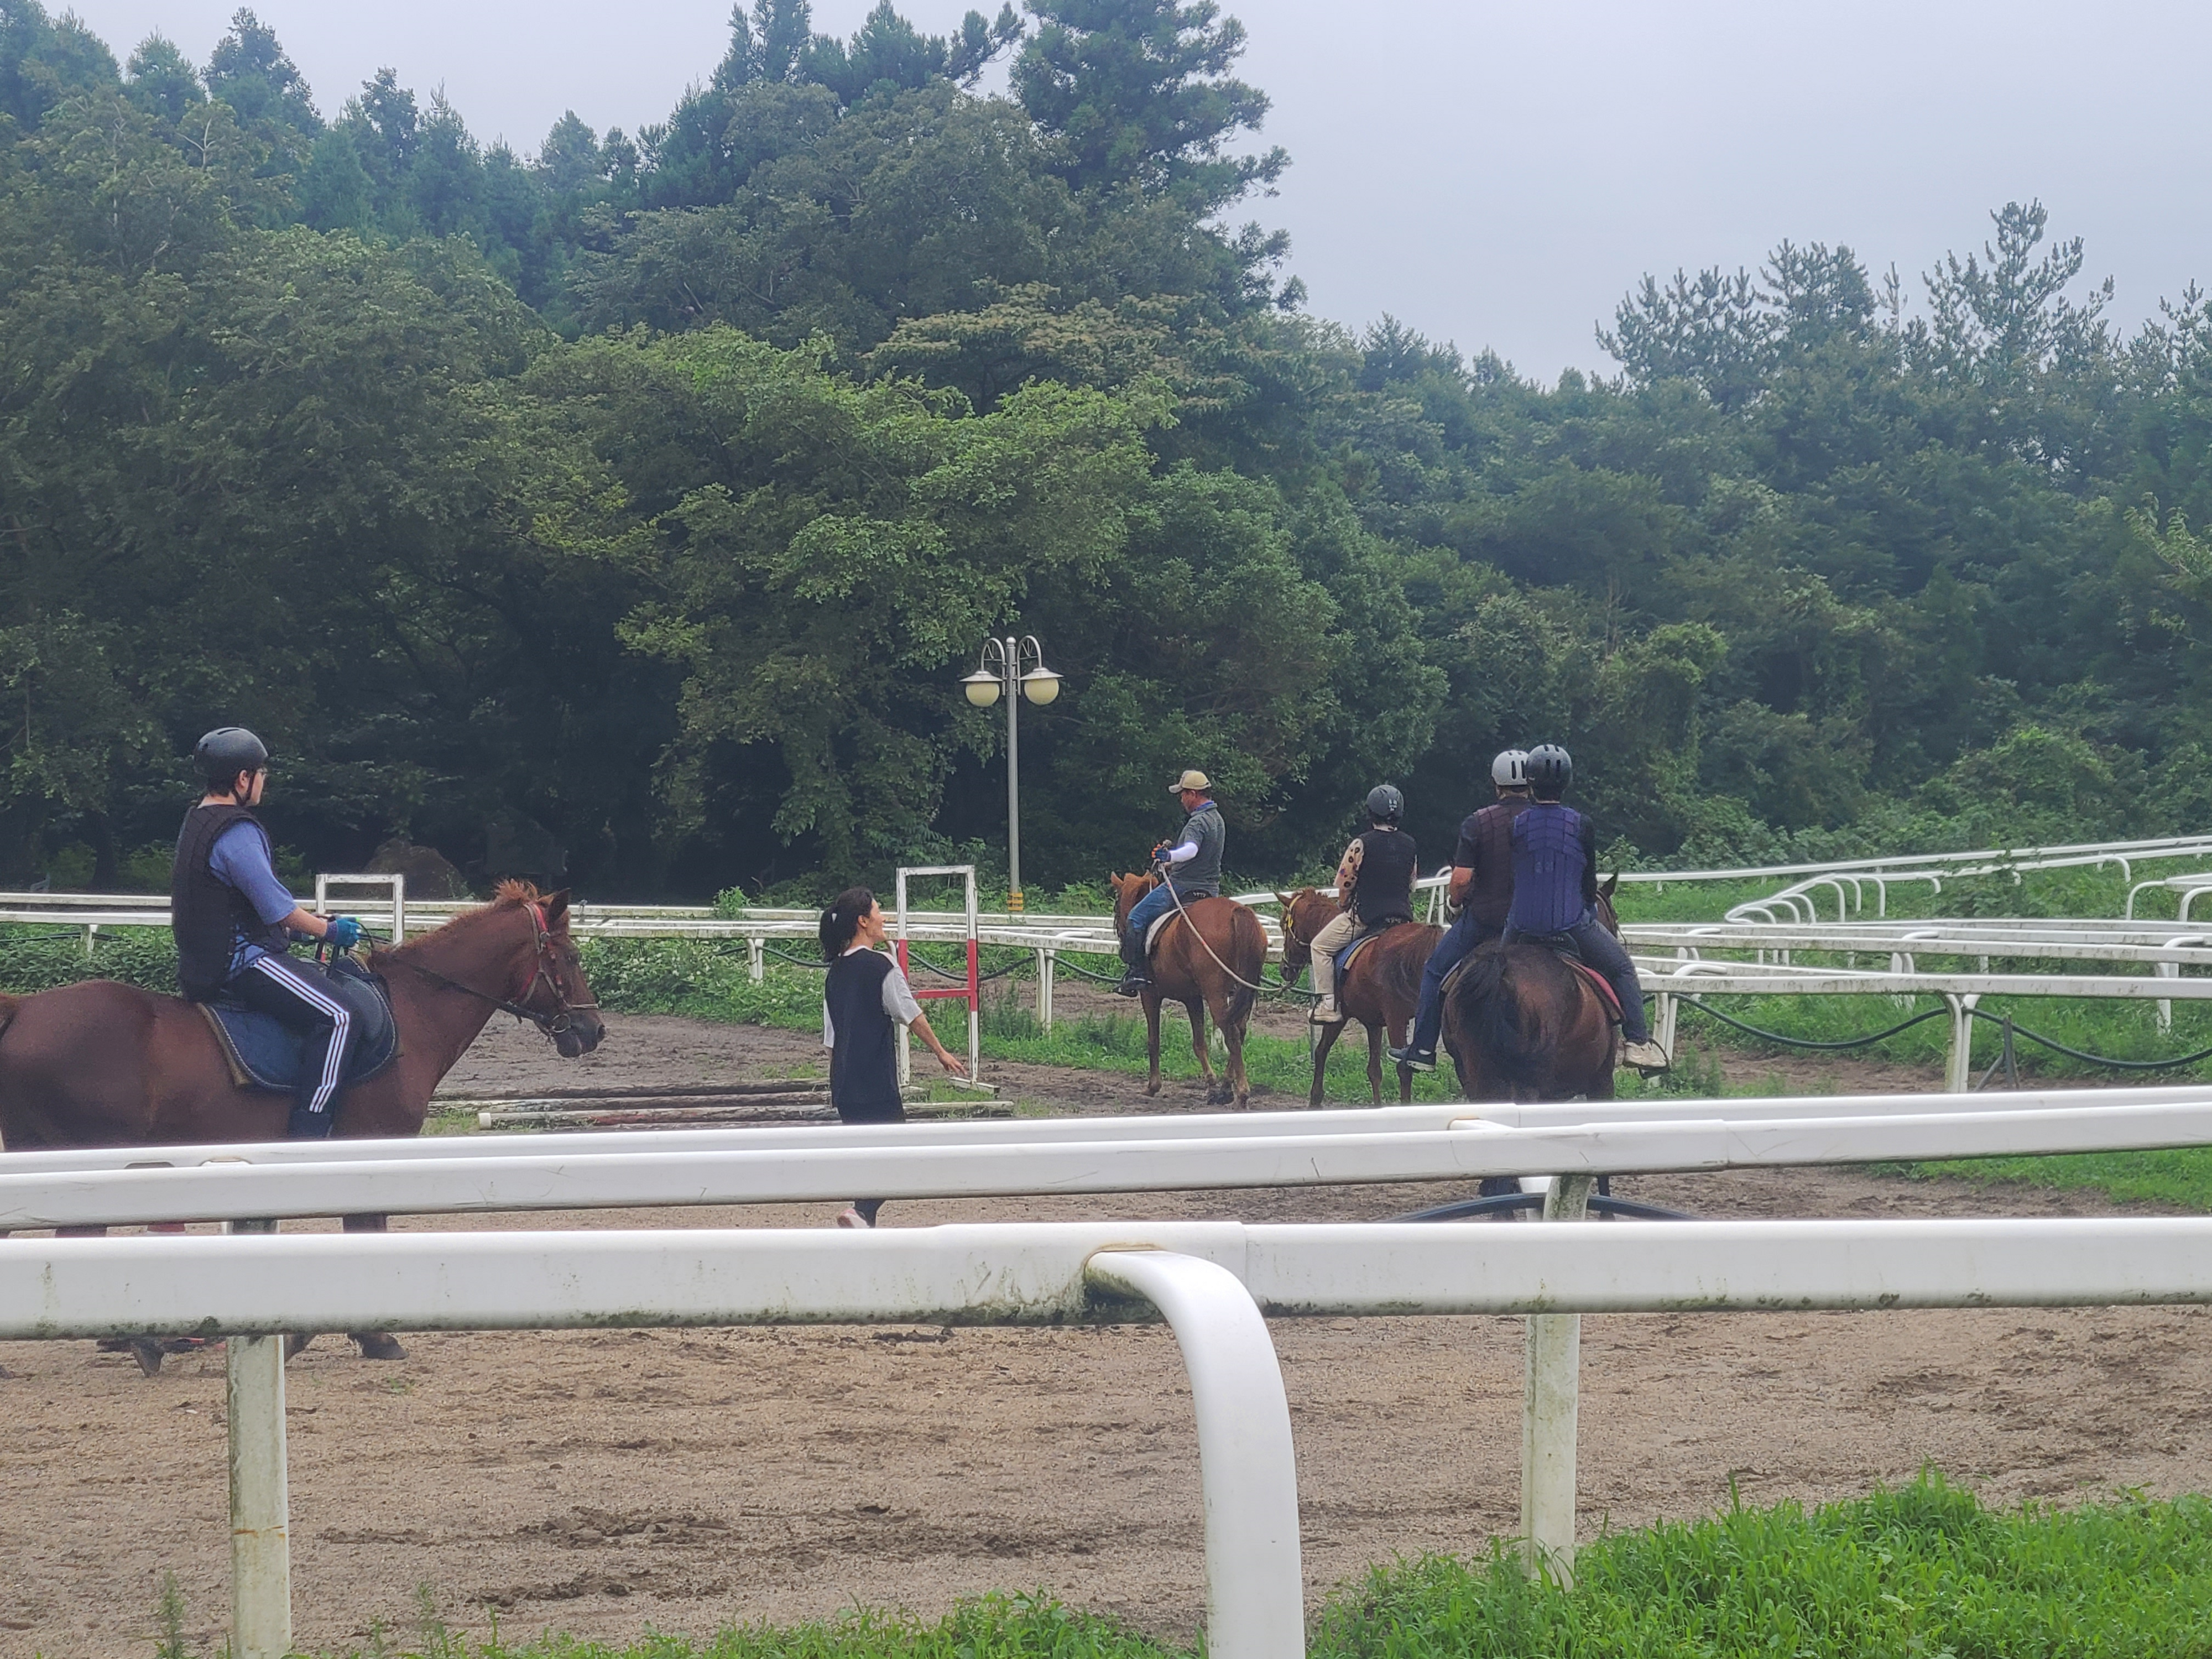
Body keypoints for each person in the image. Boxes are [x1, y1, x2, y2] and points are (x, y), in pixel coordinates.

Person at [170, 727, 371, 1138]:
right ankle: (310, 1130)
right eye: (261, 774)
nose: (264, 781)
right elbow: (277, 907)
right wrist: (328, 931)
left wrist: (298, 934)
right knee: (341, 1016)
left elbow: (230, 903)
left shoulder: (197, 820)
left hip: (205, 959)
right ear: (243, 779)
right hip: (239, 963)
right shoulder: (236, 830)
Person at [1498, 744, 1670, 1071]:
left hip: (1520, 924)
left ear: (1531, 782)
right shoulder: (1582, 824)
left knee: (1493, 972)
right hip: (1572, 923)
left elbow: (1516, 874)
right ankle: (1637, 1042)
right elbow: (1588, 882)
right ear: (1567, 783)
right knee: (1622, 968)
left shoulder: (1516, 825)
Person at [819, 886, 968, 1228]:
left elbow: (831, 1039)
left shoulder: (834, 973)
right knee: (898, 1152)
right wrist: (941, 1052)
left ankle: (863, 1219)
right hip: (875, 1078)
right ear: (863, 921)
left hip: (843, 1081)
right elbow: (910, 1014)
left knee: (867, 1155)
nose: (883, 916)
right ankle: (861, 1212)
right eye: (878, 911)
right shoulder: (881, 964)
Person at [1391, 750, 1532, 1071]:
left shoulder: (1479, 822)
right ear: (1531, 784)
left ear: (1497, 785)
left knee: (1435, 970)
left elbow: (1461, 881)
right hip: (1532, 923)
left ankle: (1424, 1049)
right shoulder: (1541, 822)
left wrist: (1455, 904)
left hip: (1485, 920)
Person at [1307, 785, 1419, 1024]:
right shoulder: (1410, 844)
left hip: (1366, 916)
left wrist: (1344, 904)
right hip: (1403, 918)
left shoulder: (1361, 843)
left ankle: (1328, 1005)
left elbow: (1346, 883)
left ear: (1371, 812)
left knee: (1319, 947)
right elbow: (1411, 885)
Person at [1115, 769, 1226, 996]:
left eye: (1183, 794)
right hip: (1210, 889)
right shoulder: (1218, 820)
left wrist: (1170, 857)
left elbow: (1192, 850)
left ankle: (1137, 973)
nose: (1181, 799)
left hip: (1183, 886)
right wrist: (1167, 866)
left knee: (1136, 916)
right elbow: (1202, 856)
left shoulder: (1197, 822)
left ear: (1193, 794)